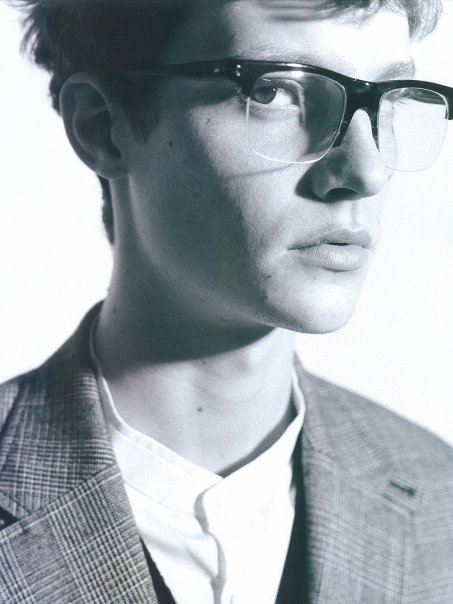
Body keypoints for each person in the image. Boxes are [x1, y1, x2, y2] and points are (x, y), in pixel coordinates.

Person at [1, 0, 453, 602]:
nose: (365, 171)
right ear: (101, 125)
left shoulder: (441, 499)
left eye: (389, 100)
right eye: (276, 92)